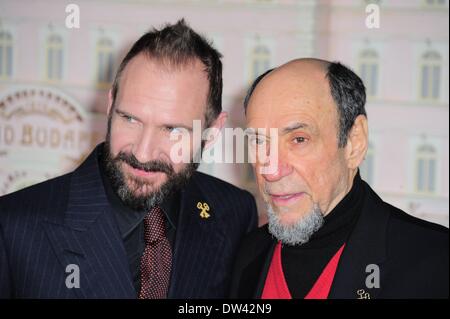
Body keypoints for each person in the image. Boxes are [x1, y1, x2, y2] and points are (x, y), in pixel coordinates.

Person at [0, 20, 257, 299]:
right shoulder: (13, 226)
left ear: (213, 132)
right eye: (130, 119)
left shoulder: (234, 213)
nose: (143, 153)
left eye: (172, 129)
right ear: (111, 105)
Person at [230, 58, 448, 299]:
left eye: (299, 139)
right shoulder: (247, 254)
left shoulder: (435, 263)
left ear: (355, 143)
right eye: (259, 141)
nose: (270, 170)